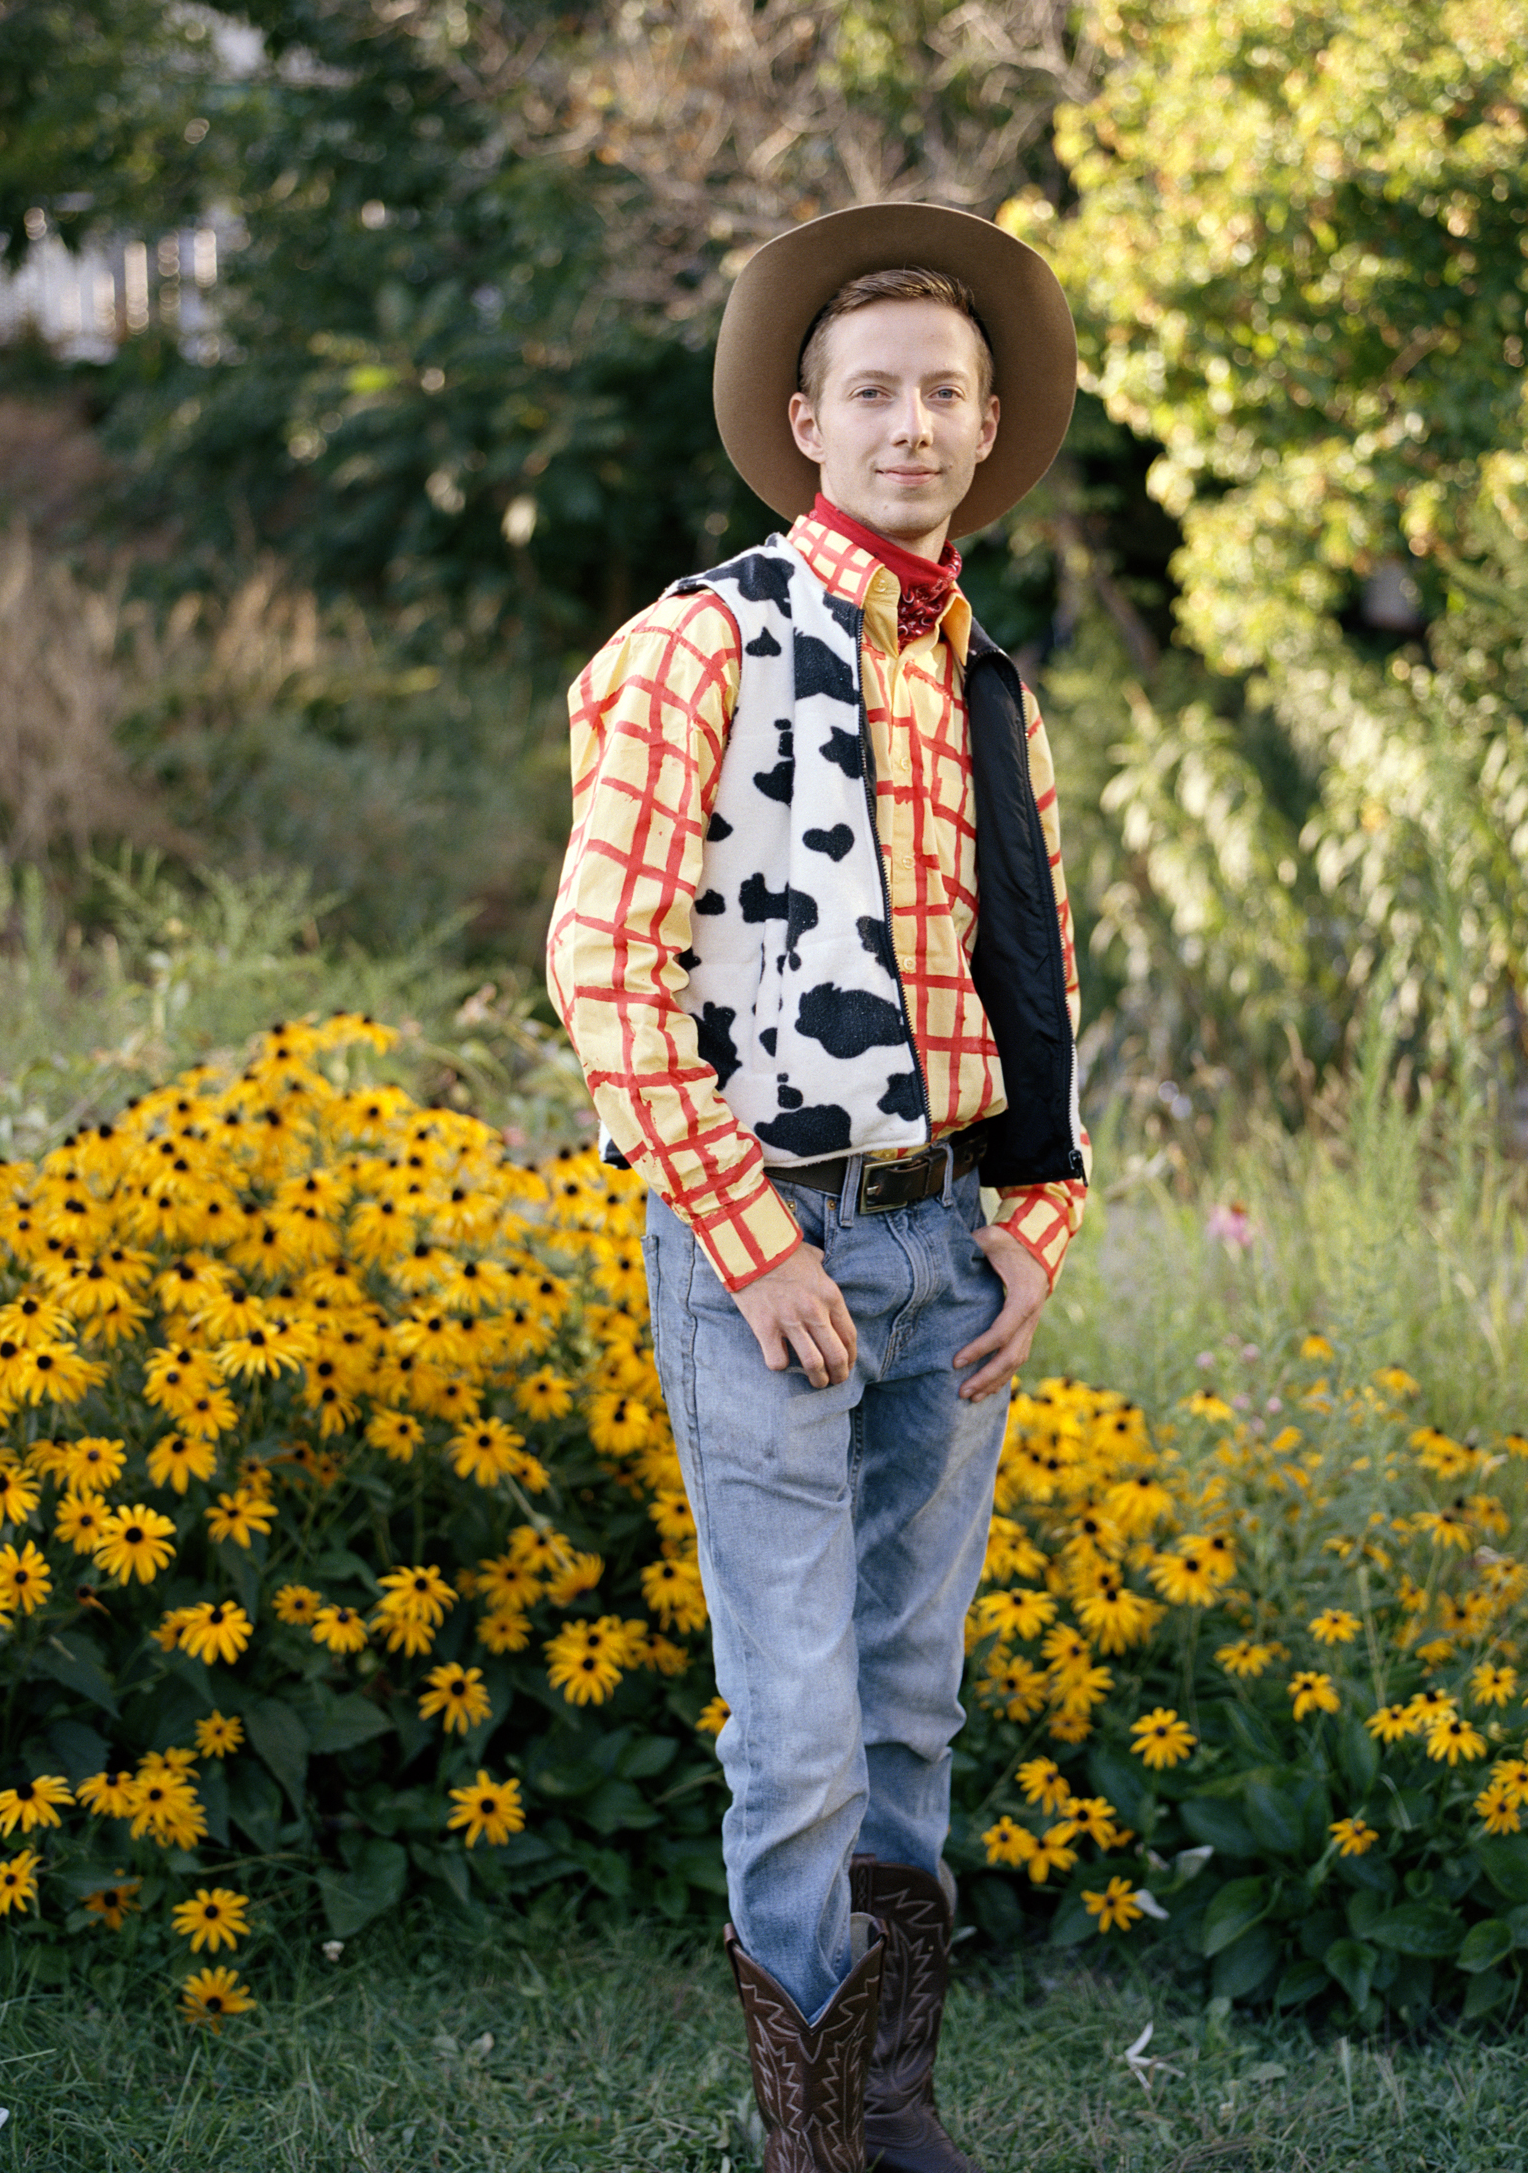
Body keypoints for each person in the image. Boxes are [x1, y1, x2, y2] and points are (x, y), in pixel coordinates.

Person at [547, 202, 1088, 2173]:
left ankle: (887, 2108)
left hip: (946, 1238)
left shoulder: (985, 678)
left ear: (986, 424)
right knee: (796, 1728)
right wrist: (750, 1237)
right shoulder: (705, 643)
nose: (911, 424)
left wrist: (1034, 1218)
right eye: (872, 392)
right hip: (764, 1238)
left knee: (909, 1706)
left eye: (944, 392)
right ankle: (812, 2145)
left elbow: (1030, 962)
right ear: (804, 421)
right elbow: (603, 964)